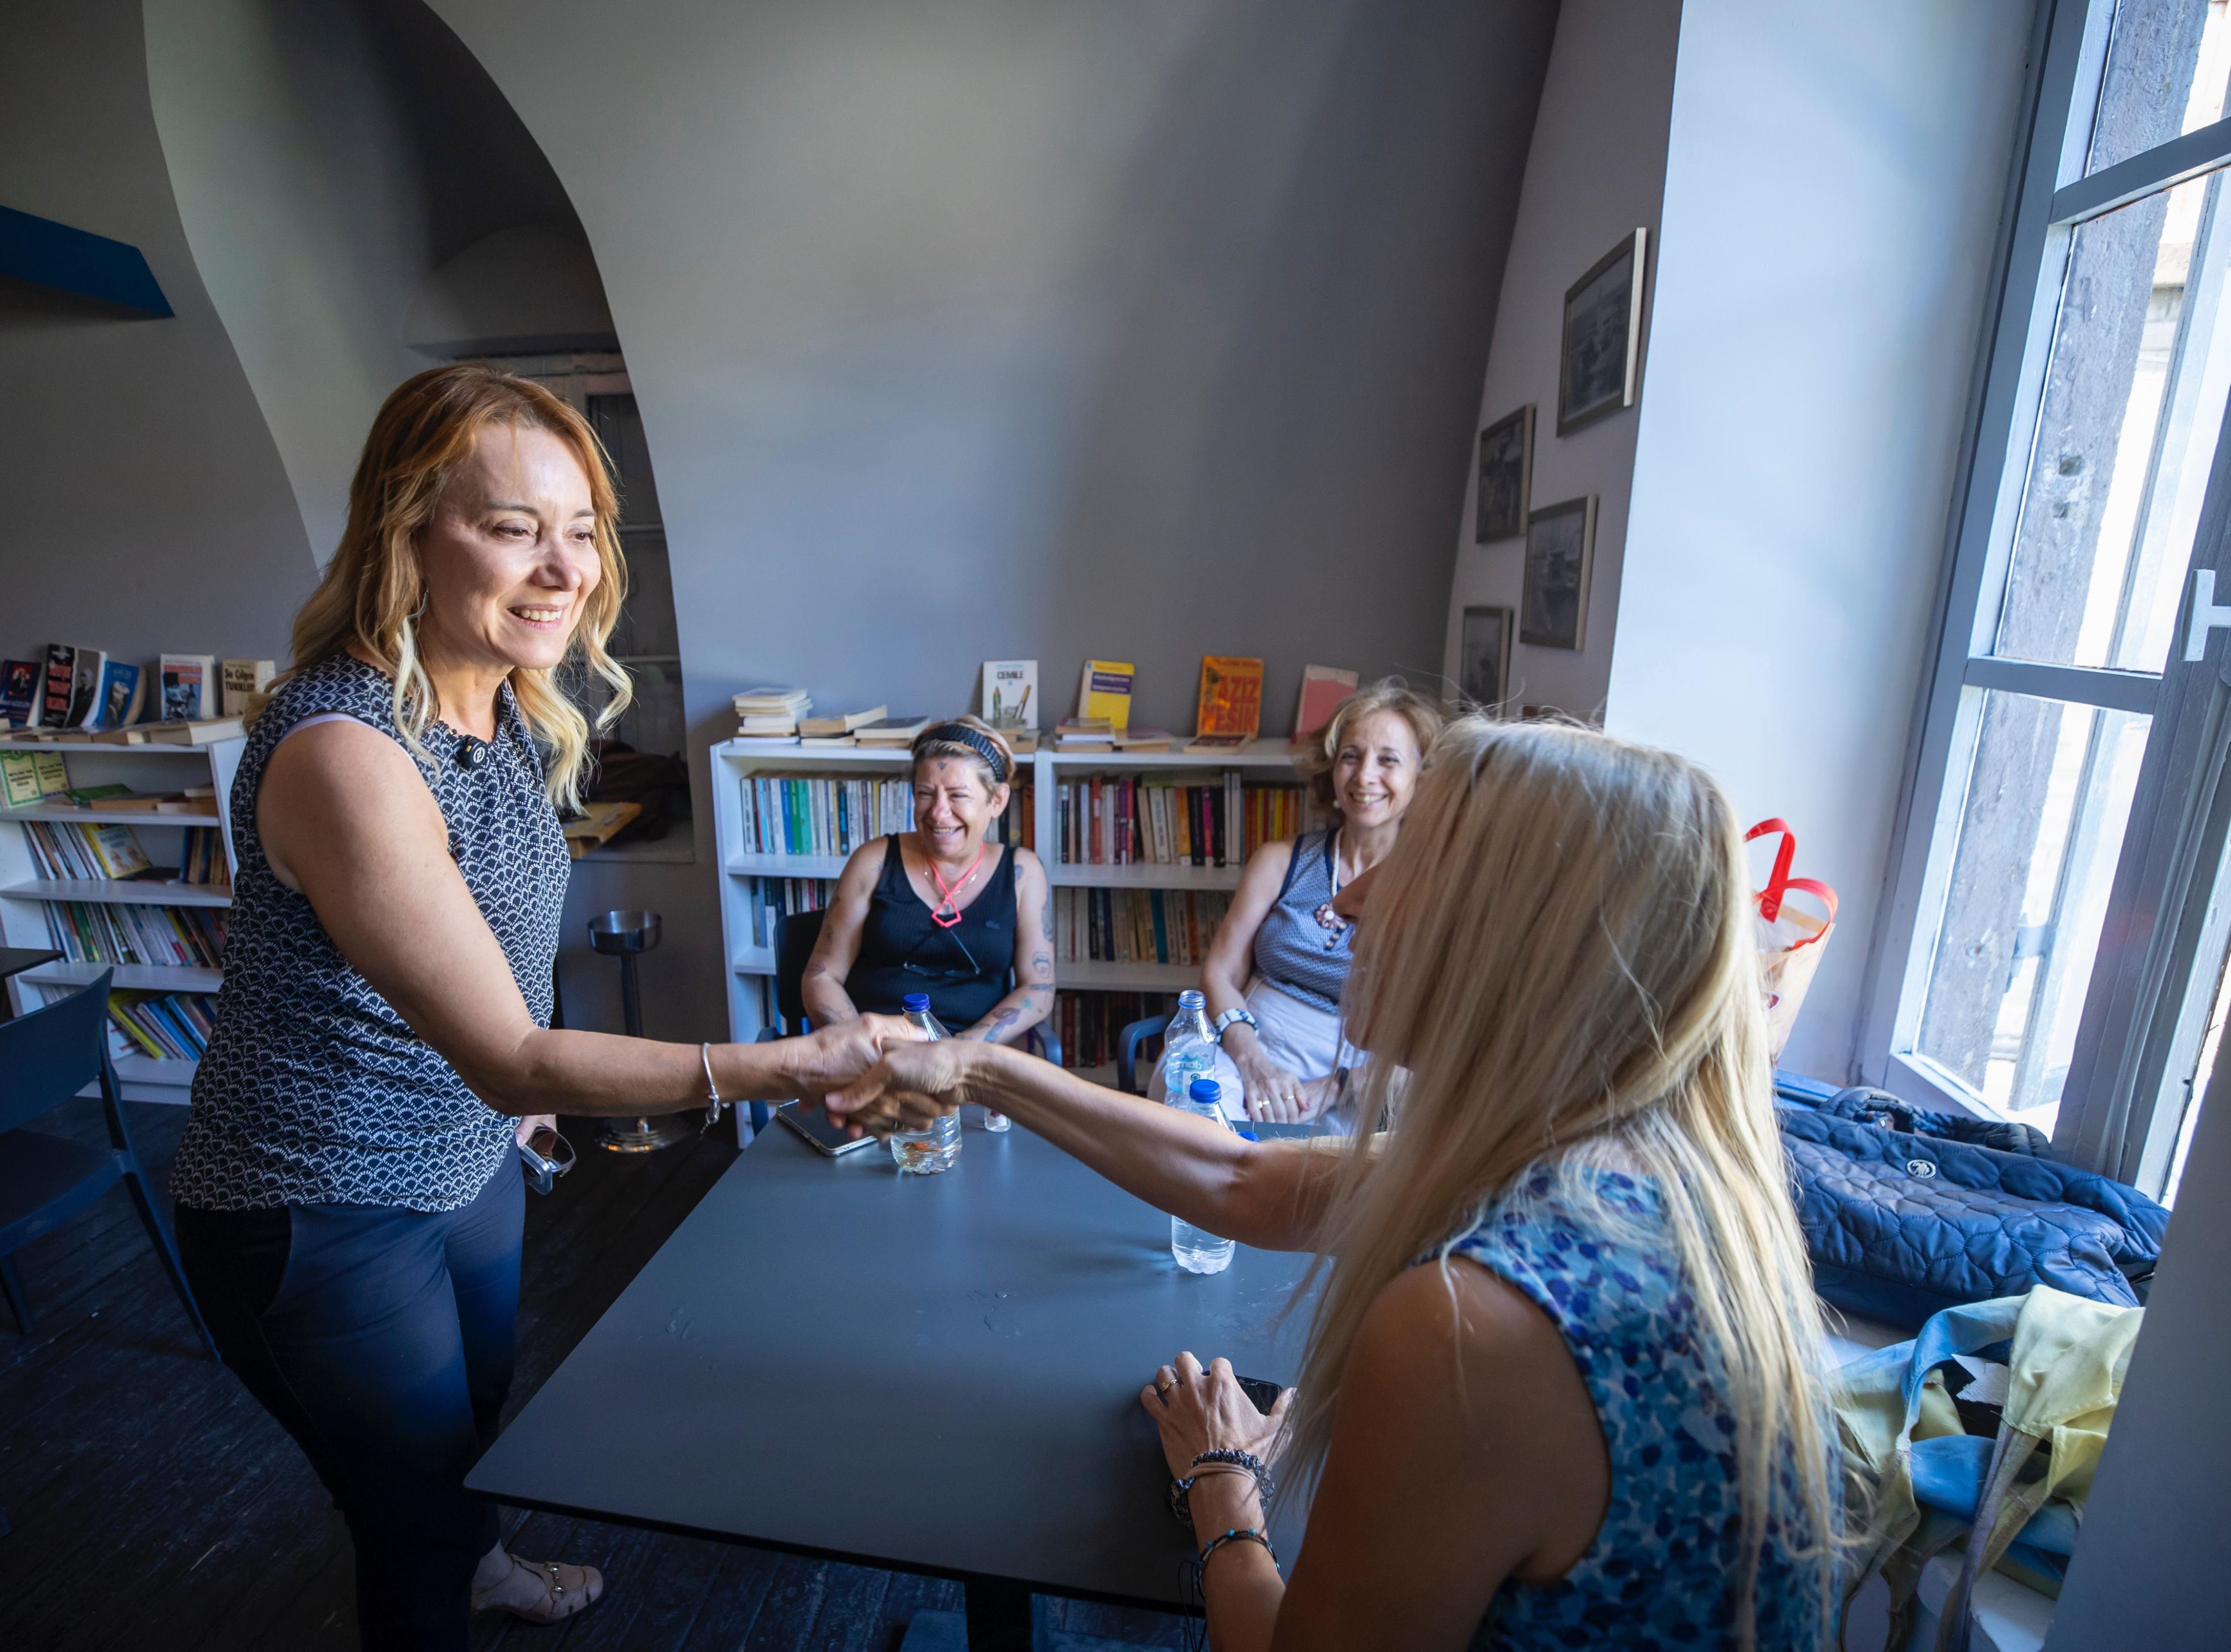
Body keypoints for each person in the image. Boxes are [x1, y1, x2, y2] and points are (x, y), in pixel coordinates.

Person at [168, 365, 908, 1652]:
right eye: (514, 525)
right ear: (408, 533)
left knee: (471, 1436)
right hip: (321, 1201)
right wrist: (802, 1058)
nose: (564, 568)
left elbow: (500, 956)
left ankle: (487, 1565)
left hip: (472, 1156)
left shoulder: (508, 699)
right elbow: (513, 1050)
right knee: (403, 1514)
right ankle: (449, 1583)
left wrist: (505, 1121)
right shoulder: (345, 749)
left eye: (581, 530)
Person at [830, 718, 1845, 1651]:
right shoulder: (1608, 1152)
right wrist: (977, 1067)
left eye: (1410, 863)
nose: (1345, 899)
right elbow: (1239, 1174)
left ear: (1509, 945)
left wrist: (1221, 1480)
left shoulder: (1471, 1324)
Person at [1186, 679, 1442, 1122]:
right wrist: (1253, 1063)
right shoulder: (1279, 861)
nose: (1364, 777)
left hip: (1361, 1076)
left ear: (1421, 777)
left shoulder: (1434, 888)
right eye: (1351, 757)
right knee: (1192, 1128)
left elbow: (1437, 1039)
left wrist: (1334, 1087)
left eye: (1388, 761)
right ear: (1331, 770)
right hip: (1246, 1042)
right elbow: (1220, 972)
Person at [801, 715, 1055, 1047]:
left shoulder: (1023, 872)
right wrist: (865, 1047)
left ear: (997, 801)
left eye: (957, 796)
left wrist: (957, 1053)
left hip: (972, 1059)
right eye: (925, 794)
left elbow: (1038, 988)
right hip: (875, 1054)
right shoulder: (874, 861)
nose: (938, 812)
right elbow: (822, 975)